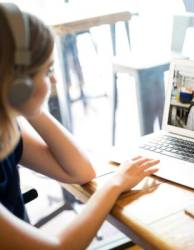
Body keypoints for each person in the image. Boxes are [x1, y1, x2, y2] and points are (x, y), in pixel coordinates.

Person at [0, 3, 159, 249]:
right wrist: (115, 184)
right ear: (19, 83)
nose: (54, 79)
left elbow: (79, 170)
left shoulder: (6, 133)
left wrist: (26, 102)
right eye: (47, 70)